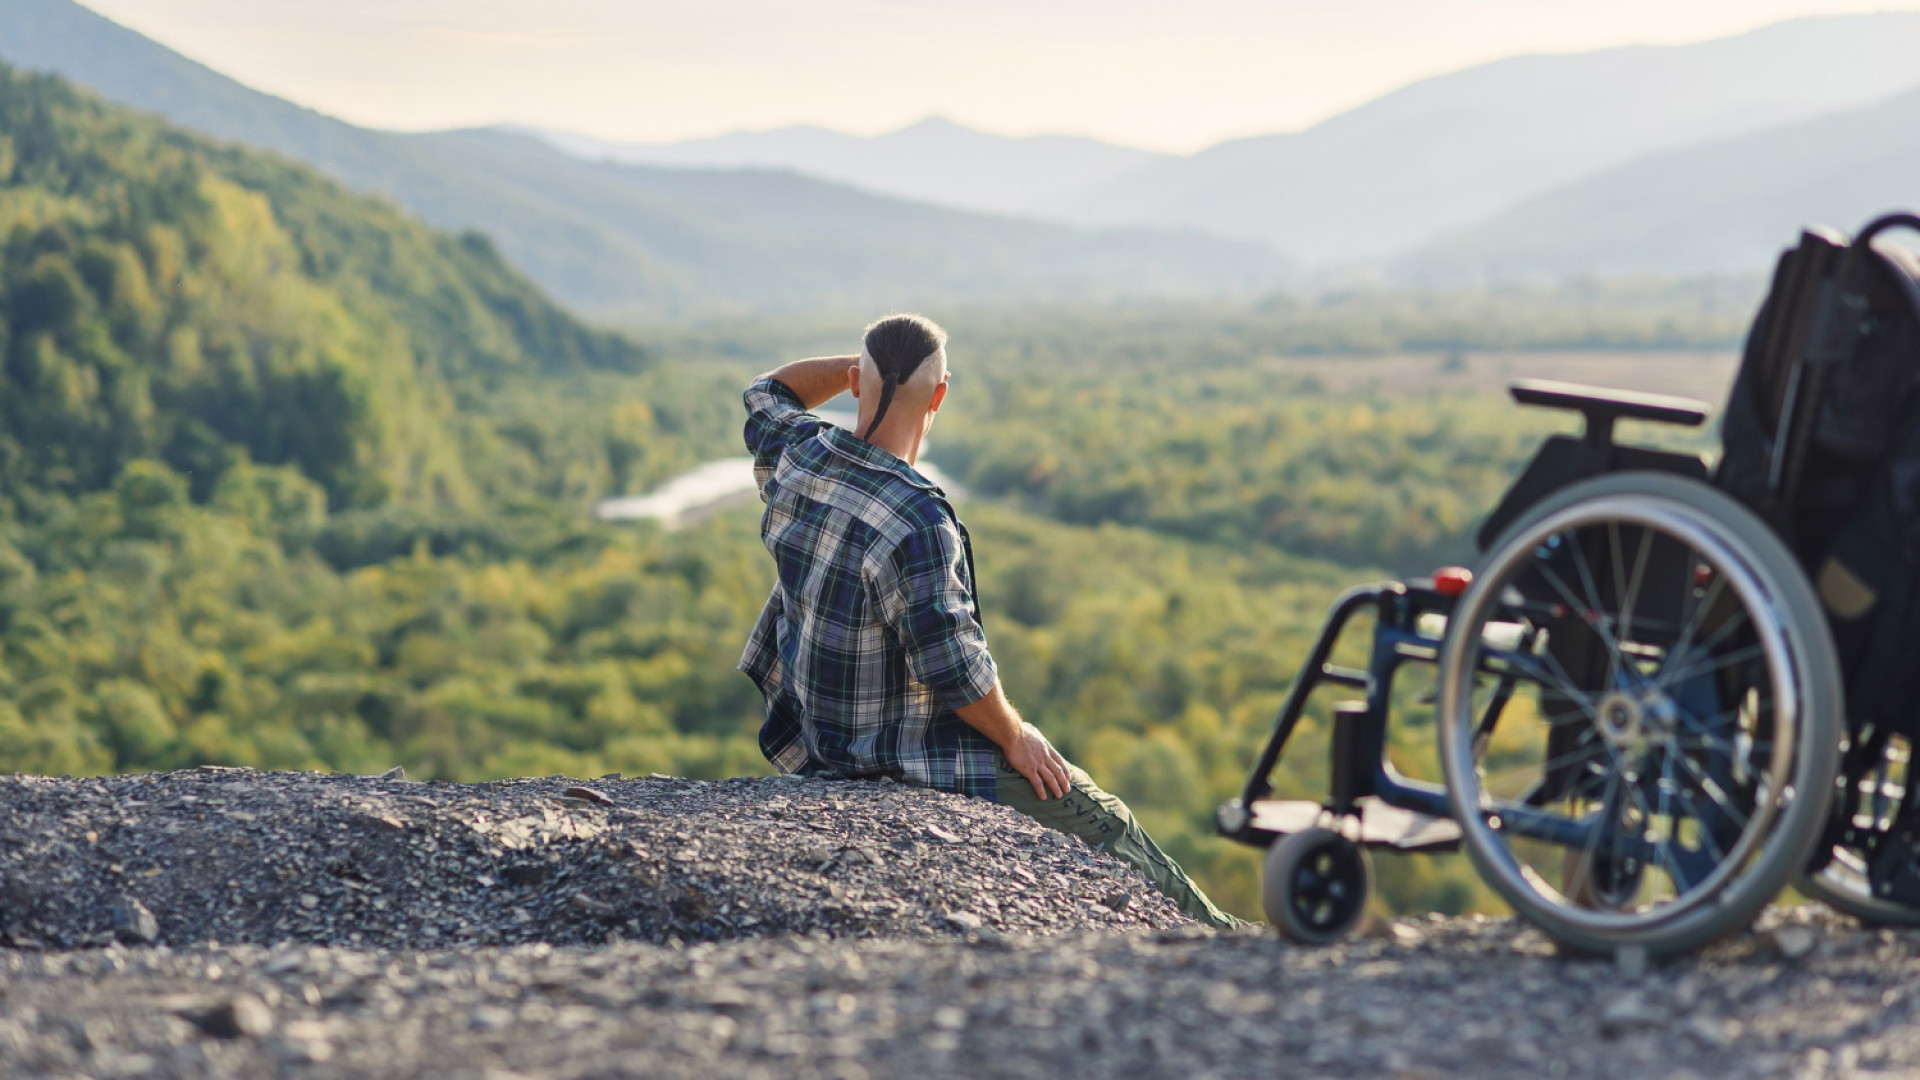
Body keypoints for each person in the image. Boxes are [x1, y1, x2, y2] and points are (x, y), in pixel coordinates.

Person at [737, 312, 1238, 929]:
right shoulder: (918, 519)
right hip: (891, 751)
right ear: (940, 397)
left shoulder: (802, 454)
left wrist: (867, 371)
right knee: (1105, 819)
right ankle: (1229, 940)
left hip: (815, 729)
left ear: (855, 383)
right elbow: (953, 666)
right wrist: (1014, 736)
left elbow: (768, 391)